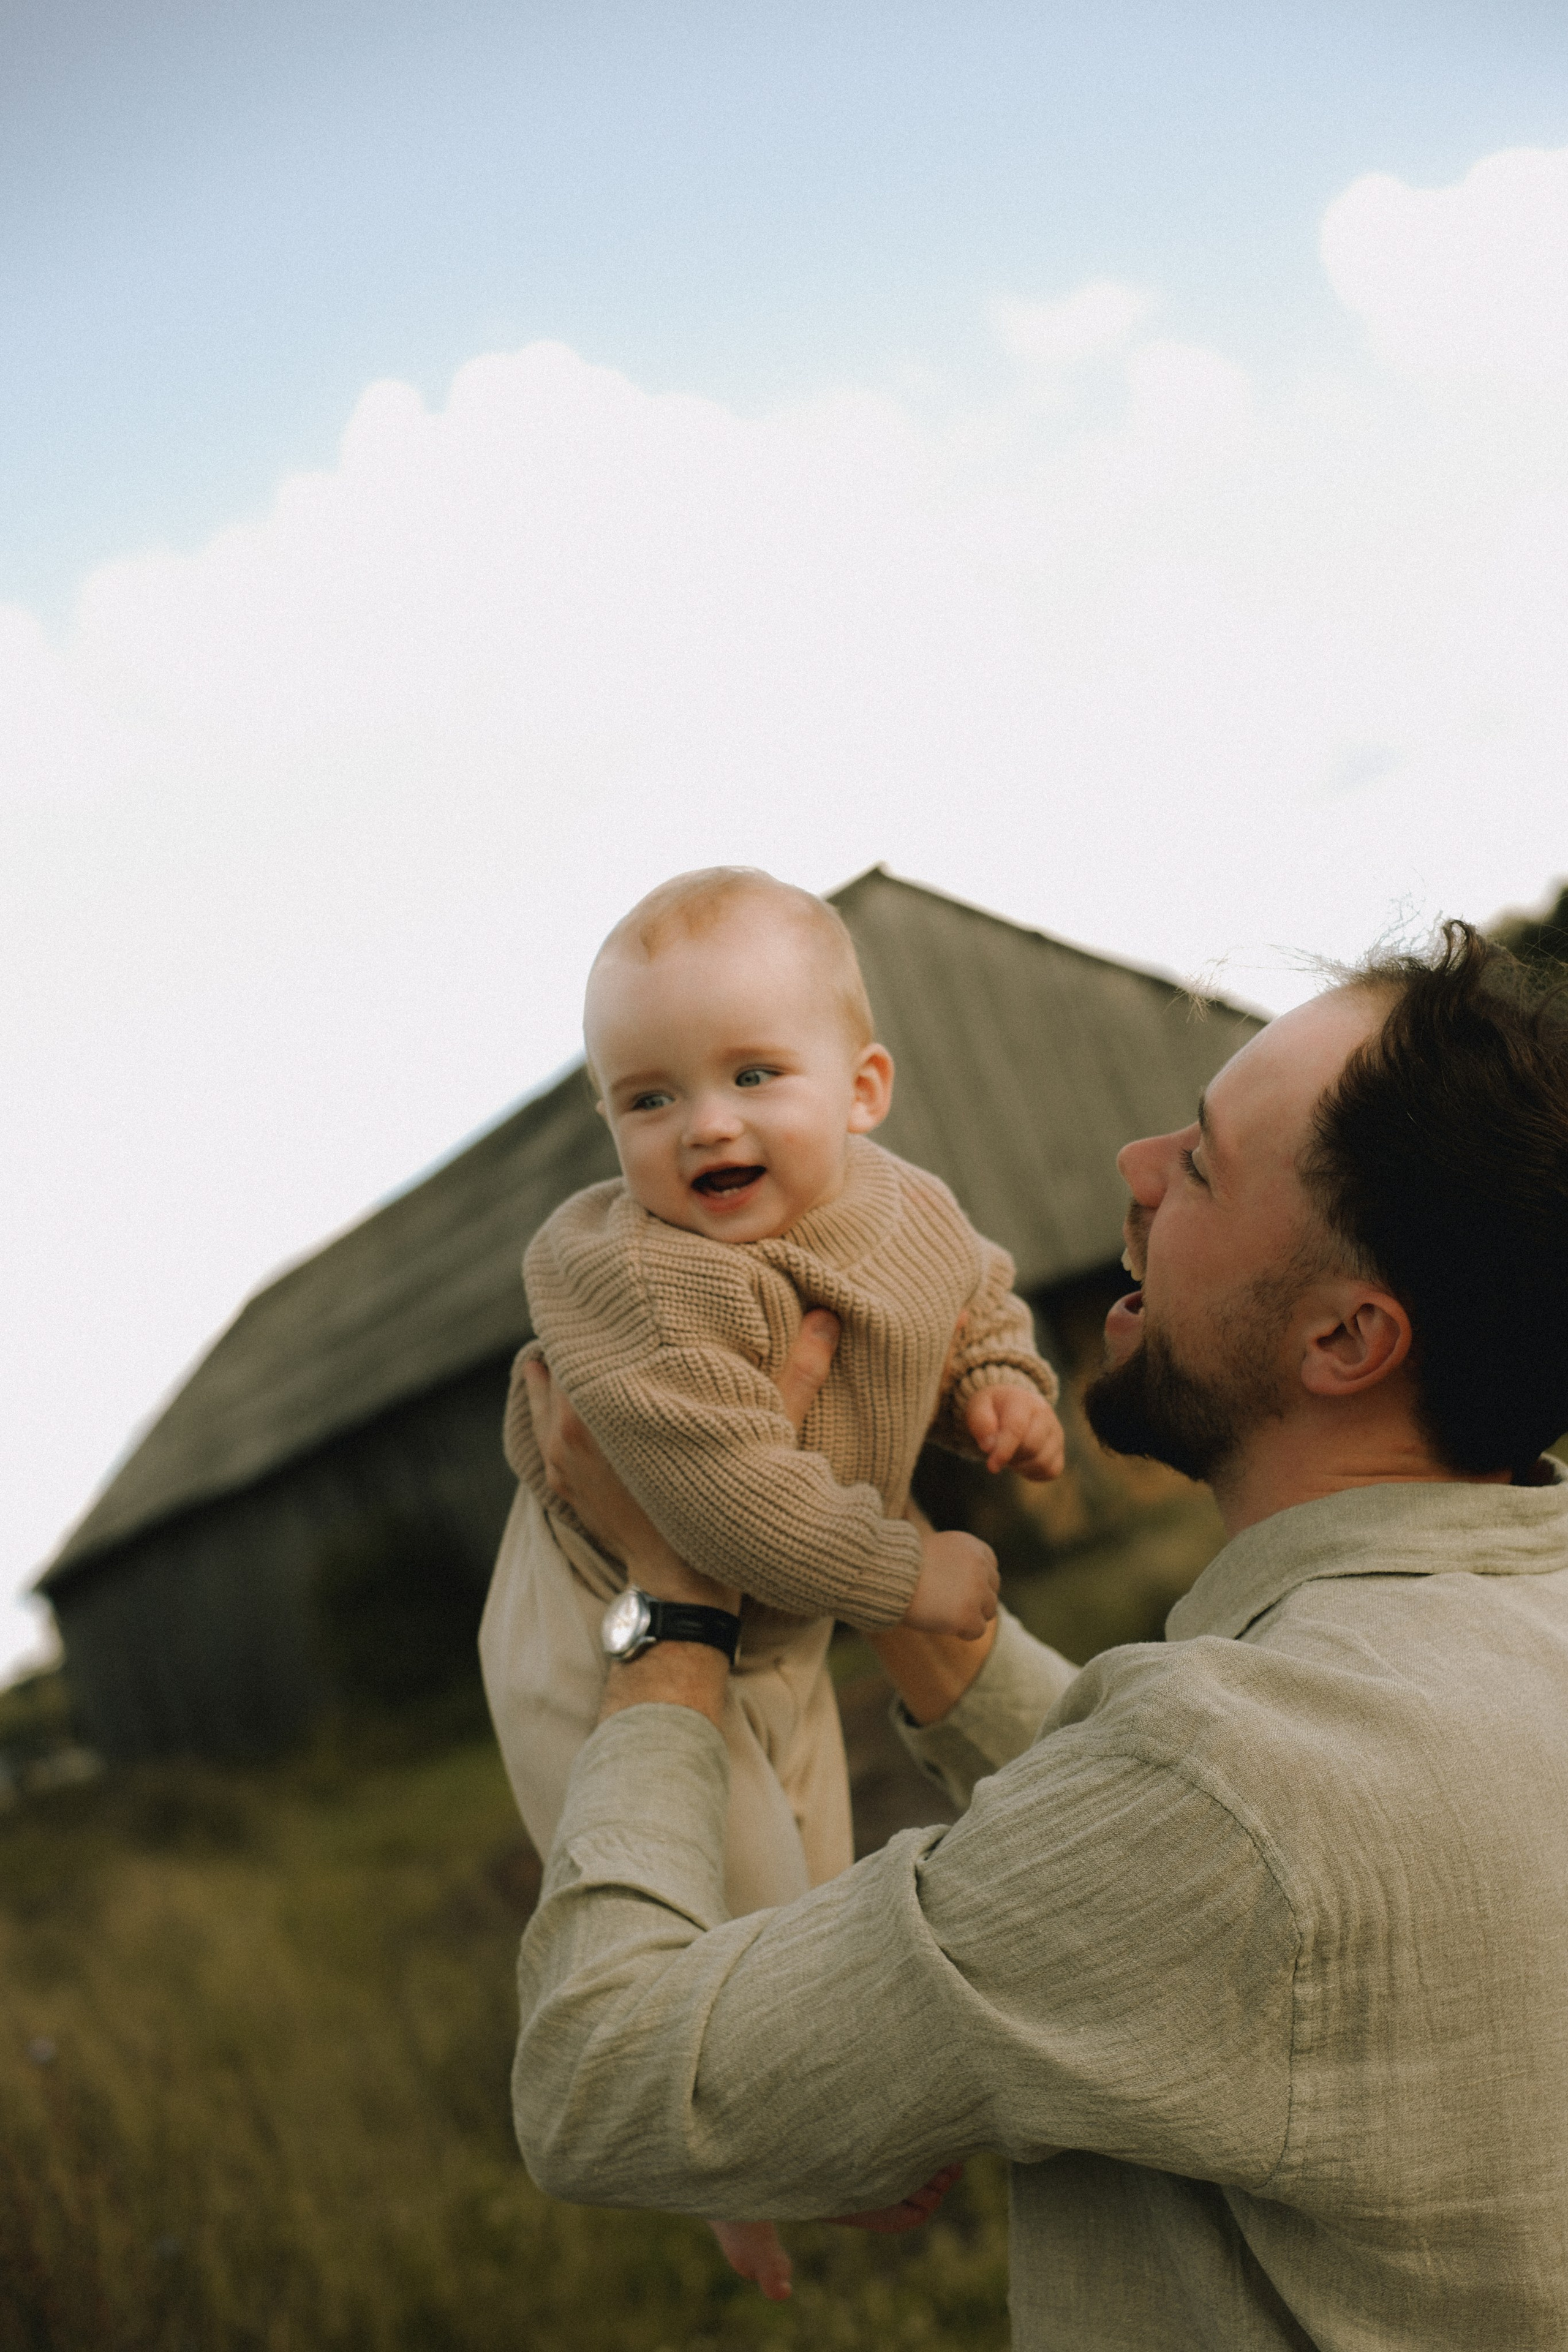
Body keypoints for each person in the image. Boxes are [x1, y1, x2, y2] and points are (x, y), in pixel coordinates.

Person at [505, 922, 1568, 2345]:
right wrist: (828, 1491)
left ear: (1343, 1341)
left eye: (1200, 1166)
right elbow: (1183, 1836)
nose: (1133, 1167)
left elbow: (599, 2085)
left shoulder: (1221, 1803)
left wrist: (674, 1603)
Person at [479, 865, 1061, 2292]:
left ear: (861, 1091)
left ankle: (768, 2139)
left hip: (778, 1613)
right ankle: (739, 2169)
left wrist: (996, 1381)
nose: (706, 1125)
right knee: (710, 1897)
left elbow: (972, 1289)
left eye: (752, 1074)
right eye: (648, 1099)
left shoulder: (902, 1207)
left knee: (809, 1888)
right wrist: (909, 1575)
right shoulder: (643, 1279)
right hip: (598, 1614)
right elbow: (729, 1504)